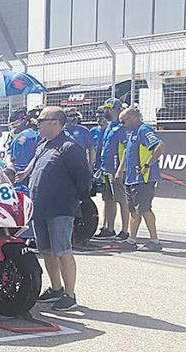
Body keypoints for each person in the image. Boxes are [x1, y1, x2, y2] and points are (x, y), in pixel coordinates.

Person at [28, 107, 92, 311]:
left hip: (60, 209)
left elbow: (84, 179)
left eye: (41, 120)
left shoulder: (70, 147)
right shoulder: (43, 146)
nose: (37, 123)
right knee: (46, 251)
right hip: (39, 208)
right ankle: (56, 288)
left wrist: (76, 203)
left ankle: (69, 294)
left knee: (63, 251)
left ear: (55, 122)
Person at [118, 107, 165, 252]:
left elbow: (160, 145)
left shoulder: (144, 130)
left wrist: (147, 165)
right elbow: (127, 151)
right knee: (134, 210)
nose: (122, 124)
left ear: (133, 117)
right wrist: (121, 169)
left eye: (123, 121)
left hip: (143, 179)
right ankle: (132, 240)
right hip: (131, 178)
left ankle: (154, 240)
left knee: (144, 209)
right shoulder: (132, 132)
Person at [97, 98, 130, 240]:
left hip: (116, 170)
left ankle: (124, 230)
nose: (105, 111)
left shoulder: (122, 128)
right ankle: (109, 228)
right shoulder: (109, 127)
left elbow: (127, 150)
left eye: (108, 108)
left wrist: (120, 170)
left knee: (122, 200)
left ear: (116, 109)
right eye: (105, 108)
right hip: (106, 168)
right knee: (108, 199)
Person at [5, 108, 41, 187]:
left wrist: (10, 166)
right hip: (26, 176)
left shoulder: (36, 135)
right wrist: (10, 165)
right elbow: (8, 151)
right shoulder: (14, 135)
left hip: (22, 176)